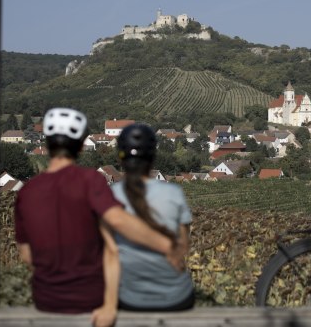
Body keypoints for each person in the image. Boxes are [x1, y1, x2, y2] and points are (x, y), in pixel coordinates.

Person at [14, 107, 184, 327]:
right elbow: (117, 223)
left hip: (46, 301)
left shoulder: (26, 192)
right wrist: (166, 245)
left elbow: (27, 256)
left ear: (46, 144)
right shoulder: (89, 180)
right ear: (82, 146)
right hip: (91, 301)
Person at [108, 123, 195, 311]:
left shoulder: (110, 196)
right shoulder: (174, 192)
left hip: (129, 298)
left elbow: (109, 253)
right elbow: (183, 246)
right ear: (153, 158)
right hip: (176, 298)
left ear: (120, 157)